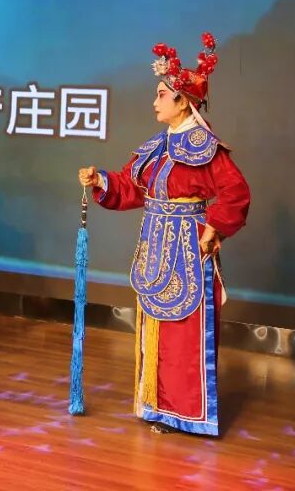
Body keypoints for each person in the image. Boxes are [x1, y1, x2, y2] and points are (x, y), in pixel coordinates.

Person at [78, 32, 250, 435]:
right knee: (156, 329)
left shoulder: (204, 146)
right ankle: (156, 407)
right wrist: (101, 180)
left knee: (185, 335)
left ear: (183, 101)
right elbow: (132, 187)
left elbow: (236, 191)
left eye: (160, 95)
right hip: (155, 244)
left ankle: (187, 414)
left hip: (188, 248)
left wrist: (212, 228)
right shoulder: (158, 145)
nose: (154, 102)